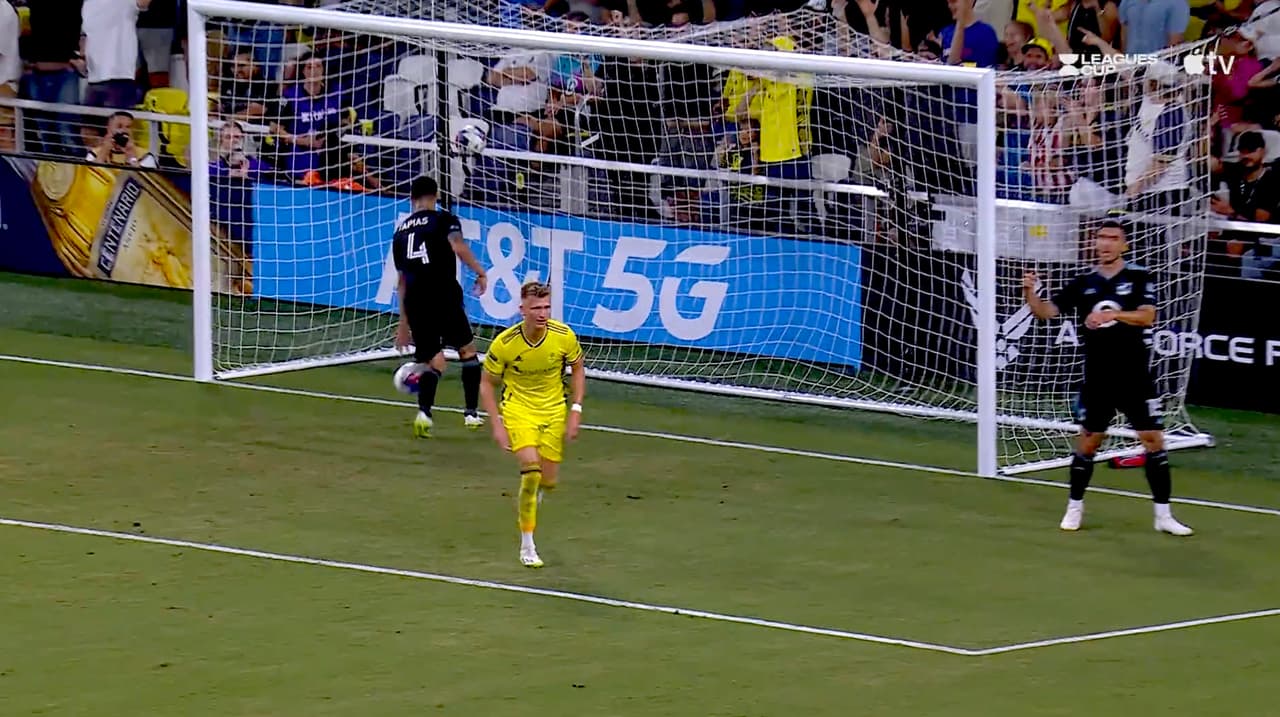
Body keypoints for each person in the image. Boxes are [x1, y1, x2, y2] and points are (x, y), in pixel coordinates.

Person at [1022, 220, 1193, 536]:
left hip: (1134, 375)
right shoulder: (1083, 282)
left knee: (1153, 441)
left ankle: (1163, 515)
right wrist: (1029, 292)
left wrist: (1113, 314)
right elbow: (1045, 312)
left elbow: (1147, 316)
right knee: (1089, 443)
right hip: (1098, 377)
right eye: (1101, 238)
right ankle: (1074, 508)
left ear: (1124, 245)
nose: (1105, 243)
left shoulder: (1139, 277)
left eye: (1113, 238)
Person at [479, 281, 586, 568]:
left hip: (553, 411)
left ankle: (537, 493)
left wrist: (576, 409)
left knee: (548, 481)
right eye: (536, 308)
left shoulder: (563, 336)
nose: (542, 313)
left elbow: (578, 369)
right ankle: (527, 545)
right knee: (531, 472)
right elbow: (487, 384)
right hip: (519, 410)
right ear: (522, 310)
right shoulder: (505, 344)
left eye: (546, 307)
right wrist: (497, 425)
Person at [391, 176, 488, 437]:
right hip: (443, 294)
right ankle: (470, 414)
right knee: (467, 350)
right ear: (436, 196)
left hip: (415, 302)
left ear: (412, 199)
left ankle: (424, 414)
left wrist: (403, 323)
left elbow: (401, 280)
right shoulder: (444, 219)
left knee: (433, 360)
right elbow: (457, 245)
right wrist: (480, 272)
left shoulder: (400, 232)